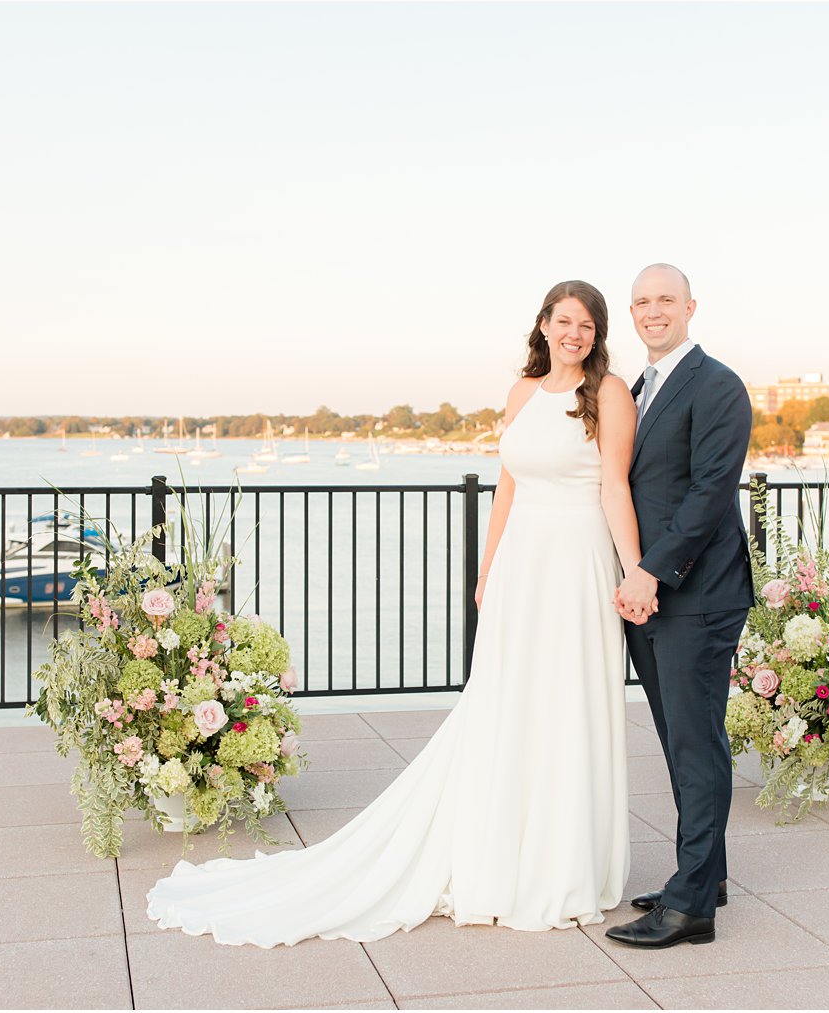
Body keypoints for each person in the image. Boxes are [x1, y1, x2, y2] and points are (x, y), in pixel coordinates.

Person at [145, 280, 640, 946]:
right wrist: (487, 568)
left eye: (586, 324)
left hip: (578, 561)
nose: (574, 333)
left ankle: (564, 859)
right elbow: (507, 487)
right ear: (544, 326)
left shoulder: (609, 394)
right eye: (563, 321)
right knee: (510, 702)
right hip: (523, 565)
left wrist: (635, 568)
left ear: (596, 332)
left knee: (568, 702)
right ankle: (503, 846)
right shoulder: (523, 392)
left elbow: (614, 484)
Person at [605, 263, 755, 949]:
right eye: (640, 301)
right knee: (684, 740)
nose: (651, 310)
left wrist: (650, 572)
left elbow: (705, 497)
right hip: (654, 597)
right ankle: (707, 872)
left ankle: (692, 905)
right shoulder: (642, 386)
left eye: (664, 299)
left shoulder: (717, 385)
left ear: (691, 306)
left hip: (694, 593)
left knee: (696, 746)